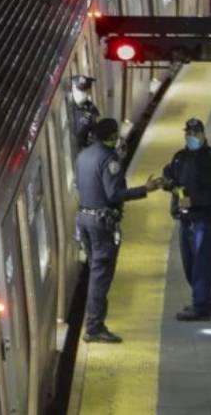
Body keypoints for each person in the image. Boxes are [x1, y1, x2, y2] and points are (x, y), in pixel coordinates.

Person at [76, 117, 163, 343]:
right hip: (102, 224)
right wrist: (146, 189)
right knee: (100, 276)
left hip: (85, 219)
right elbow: (113, 194)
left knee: (96, 271)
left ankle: (93, 323)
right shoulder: (109, 159)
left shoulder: (83, 155)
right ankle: (94, 328)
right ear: (112, 136)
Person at [162, 117, 211, 321]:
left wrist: (193, 201)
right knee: (189, 262)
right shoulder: (180, 157)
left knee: (202, 262)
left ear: (203, 135)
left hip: (204, 218)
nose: (191, 137)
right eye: (188, 133)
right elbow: (169, 173)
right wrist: (169, 184)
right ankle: (201, 300)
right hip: (185, 219)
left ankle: (201, 306)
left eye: (195, 133)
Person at [68, 76, 101, 149]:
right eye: (80, 90)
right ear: (73, 90)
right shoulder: (67, 108)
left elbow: (94, 130)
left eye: (86, 91)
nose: (83, 94)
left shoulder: (90, 108)